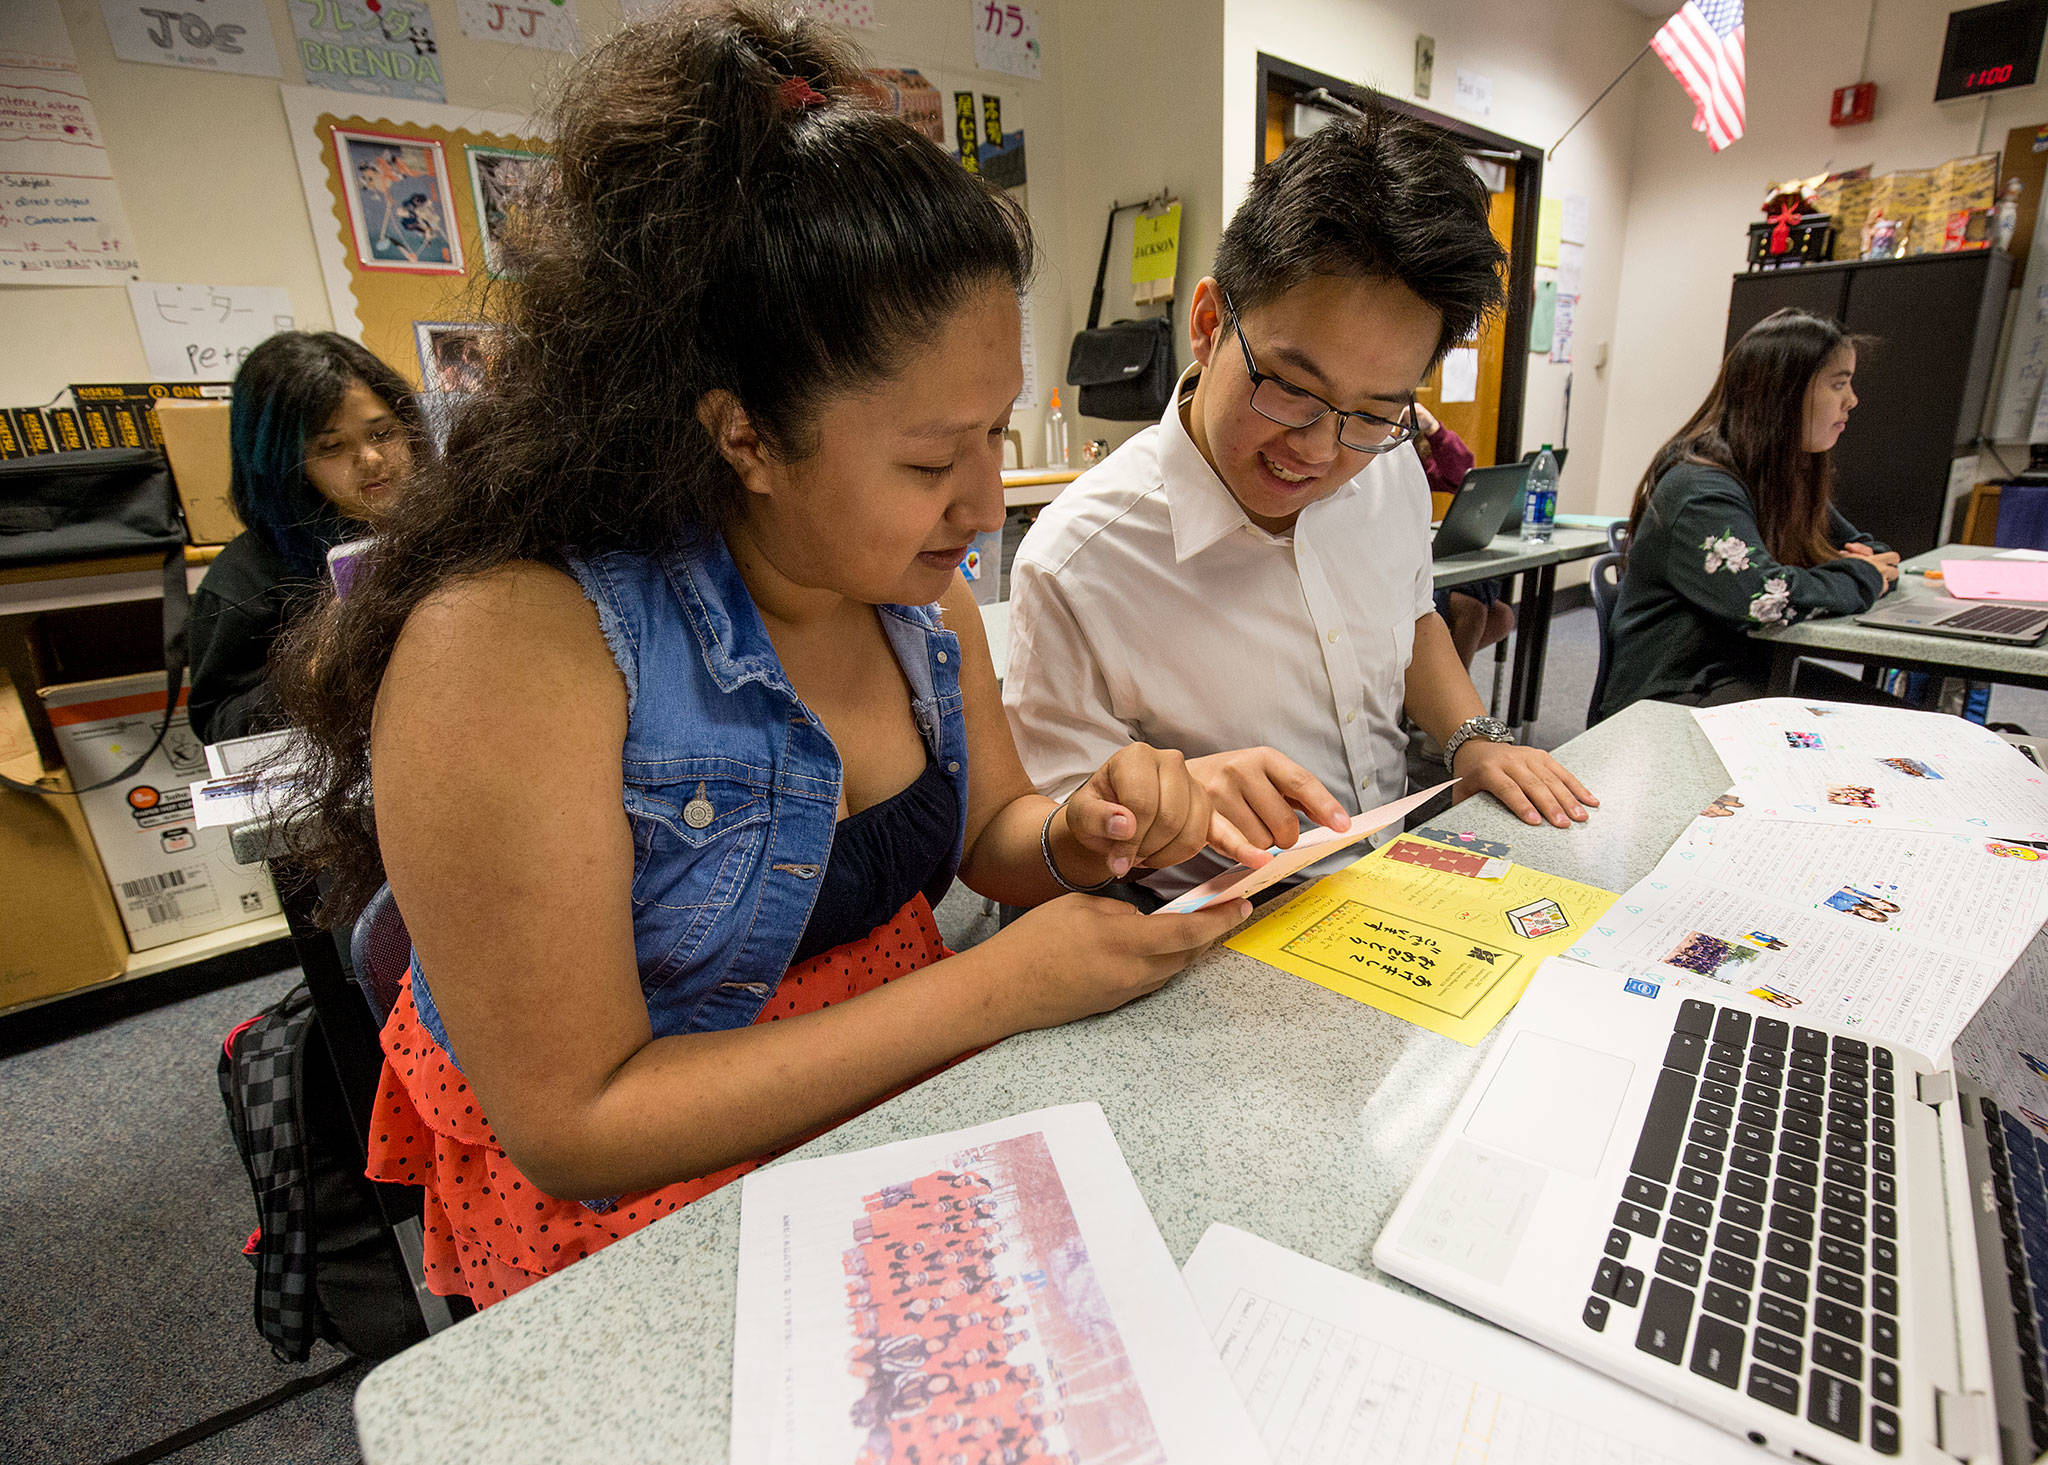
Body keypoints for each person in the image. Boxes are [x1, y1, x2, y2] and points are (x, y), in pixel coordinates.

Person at [270, 3, 1297, 1306]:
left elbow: (991, 831)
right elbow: (577, 1120)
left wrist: (1083, 832)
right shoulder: (513, 647)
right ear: (743, 434)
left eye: (995, 433)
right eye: (932, 459)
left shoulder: (919, 599)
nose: (986, 505)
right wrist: (993, 991)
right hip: (644, 1216)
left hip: (887, 1122)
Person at [1002, 107, 1597, 903]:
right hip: (1218, 928)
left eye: (1375, 411)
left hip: (1389, 875)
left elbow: (1409, 618)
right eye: (1290, 388)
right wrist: (1159, 810)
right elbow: (1050, 845)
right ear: (1210, 325)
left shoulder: (1386, 469)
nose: (1318, 451)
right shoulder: (1078, 562)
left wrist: (1470, 739)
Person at [1596, 308, 1899, 719]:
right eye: (1838, 384)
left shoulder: (1778, 470)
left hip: (1747, 671)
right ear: (1784, 392)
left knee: (1912, 723)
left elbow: (1862, 549)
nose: (1852, 400)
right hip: (1676, 698)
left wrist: (1860, 568)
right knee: (1884, 734)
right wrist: (1863, 575)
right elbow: (1764, 599)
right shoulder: (1700, 488)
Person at [187, 331, 419, 744]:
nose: (371, 459)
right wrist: (313, 668)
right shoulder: (242, 583)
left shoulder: (448, 528)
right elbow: (218, 728)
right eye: (331, 447)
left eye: (383, 433)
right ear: (283, 465)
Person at [1415, 402, 1515, 667]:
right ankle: (1448, 692)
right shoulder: (1378, 454)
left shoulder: (1414, 453)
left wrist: (1433, 429)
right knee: (1471, 608)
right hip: (1399, 568)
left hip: (1423, 560)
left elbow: (1461, 476)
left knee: (1502, 616)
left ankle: (1440, 681)